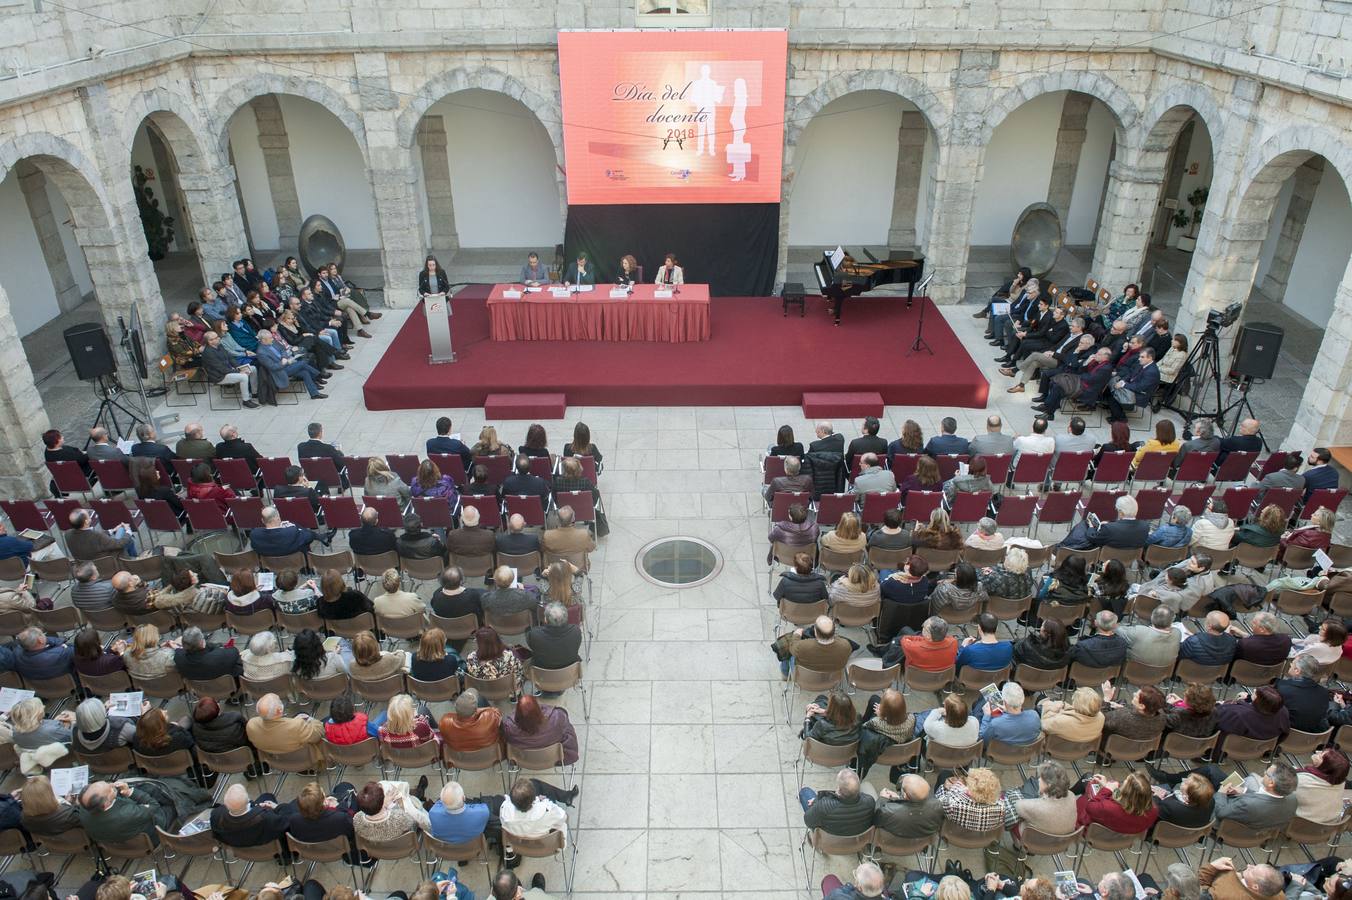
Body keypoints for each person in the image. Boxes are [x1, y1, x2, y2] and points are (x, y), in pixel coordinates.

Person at [247, 693, 324, 764]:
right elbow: (318, 734)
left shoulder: (251, 725)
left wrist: (294, 721)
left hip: (276, 761)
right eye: (280, 701)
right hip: (303, 761)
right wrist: (311, 720)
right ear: (279, 710)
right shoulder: (296, 726)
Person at [503, 694, 579, 765]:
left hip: (524, 761)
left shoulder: (508, 727)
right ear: (538, 708)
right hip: (551, 759)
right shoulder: (558, 717)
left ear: (517, 713)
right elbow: (569, 736)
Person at [1075, 770, 1158, 834]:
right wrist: (1112, 789)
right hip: (1123, 840)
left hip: (1093, 834)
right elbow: (1126, 800)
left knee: (1089, 779)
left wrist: (1107, 789)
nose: (1120, 785)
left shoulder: (1108, 808)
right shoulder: (1153, 811)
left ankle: (1069, 793)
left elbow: (1090, 807)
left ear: (1126, 793)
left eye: (1123, 785)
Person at [799, 767, 876, 836]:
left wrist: (815, 803)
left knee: (805, 791)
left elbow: (808, 821)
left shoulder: (824, 806)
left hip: (829, 842)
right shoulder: (870, 802)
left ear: (838, 790)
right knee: (867, 785)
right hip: (857, 842)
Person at [256, 329, 327, 400]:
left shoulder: (272, 342)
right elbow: (273, 367)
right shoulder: (261, 352)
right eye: (270, 338)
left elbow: (283, 349)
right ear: (263, 340)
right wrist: (284, 363)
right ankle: (319, 374)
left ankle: (314, 394)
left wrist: (284, 357)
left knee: (305, 372)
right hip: (280, 371)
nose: (272, 339)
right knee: (303, 363)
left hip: (287, 364)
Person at [1293, 747, 1350, 824]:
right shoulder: (1340, 783)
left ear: (1325, 767)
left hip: (1300, 824)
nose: (1317, 752)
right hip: (1328, 827)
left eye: (1320, 755)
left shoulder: (1301, 780)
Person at [935, 767, 1003, 830]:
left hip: (954, 831)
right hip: (983, 837)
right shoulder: (1001, 809)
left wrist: (945, 787)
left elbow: (938, 801)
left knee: (944, 774)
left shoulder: (953, 802)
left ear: (969, 790)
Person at [1101, 682, 1167, 741]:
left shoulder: (1121, 717)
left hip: (1116, 747)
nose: (1134, 693)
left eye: (1136, 696)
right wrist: (1124, 708)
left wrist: (1106, 698)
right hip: (1142, 749)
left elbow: (1101, 719)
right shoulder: (1162, 717)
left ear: (1141, 706)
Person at [526, 602, 582, 671]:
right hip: (570, 672)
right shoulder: (576, 631)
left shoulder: (534, 634)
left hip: (542, 672)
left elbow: (530, 645)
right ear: (566, 618)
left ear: (546, 620)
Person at [173, 625, 242, 680]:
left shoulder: (178, 657)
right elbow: (234, 651)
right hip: (224, 687)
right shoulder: (219, 656)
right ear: (201, 643)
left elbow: (179, 650)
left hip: (199, 689)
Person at [67, 508, 138, 560]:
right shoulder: (96, 536)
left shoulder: (68, 534)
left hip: (89, 564)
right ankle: (134, 561)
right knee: (127, 538)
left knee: (122, 531)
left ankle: (134, 559)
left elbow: (90, 535)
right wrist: (128, 531)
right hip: (110, 561)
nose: (89, 515)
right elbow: (119, 544)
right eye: (88, 514)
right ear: (86, 522)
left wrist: (112, 530)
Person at [1040, 686, 1105, 743]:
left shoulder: (1062, 721)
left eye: (1074, 701)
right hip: (1082, 748)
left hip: (1057, 747)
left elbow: (1043, 725)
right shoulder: (1101, 718)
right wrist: (1065, 706)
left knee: (1041, 701)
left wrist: (1050, 710)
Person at [251, 505, 320, 556]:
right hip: (294, 564)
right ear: (278, 518)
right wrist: (294, 527)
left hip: (270, 566)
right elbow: (309, 537)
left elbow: (254, 547)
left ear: (262, 521)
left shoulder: (255, 535)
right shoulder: (291, 531)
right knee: (303, 542)